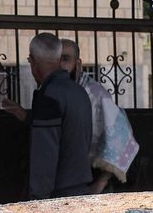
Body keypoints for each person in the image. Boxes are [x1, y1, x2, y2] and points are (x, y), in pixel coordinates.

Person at [16, 32, 94, 200]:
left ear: (32, 62)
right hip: (80, 190)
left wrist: (38, 199)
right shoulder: (79, 92)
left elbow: (44, 155)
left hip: (57, 197)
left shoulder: (49, 96)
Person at [59, 38, 140, 194]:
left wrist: (100, 183)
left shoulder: (96, 94)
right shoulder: (57, 93)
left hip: (93, 177)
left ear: (78, 64)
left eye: (66, 59)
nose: (61, 65)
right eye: (56, 60)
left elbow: (120, 139)